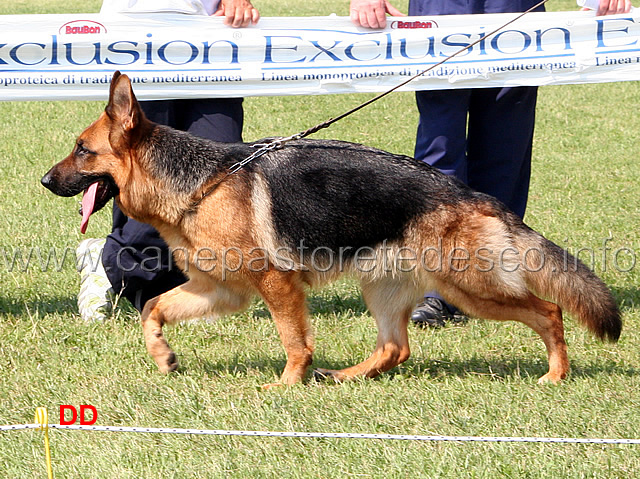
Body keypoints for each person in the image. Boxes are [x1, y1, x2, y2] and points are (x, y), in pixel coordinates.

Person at [349, 0, 632, 327]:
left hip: (517, 10)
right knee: (440, 149)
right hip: (441, 10)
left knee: (504, 148)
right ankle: (443, 290)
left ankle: (494, 279)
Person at [77, 0, 260, 321]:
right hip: (134, 32)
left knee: (220, 168)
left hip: (211, 33)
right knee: (146, 167)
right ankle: (109, 262)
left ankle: (196, 282)